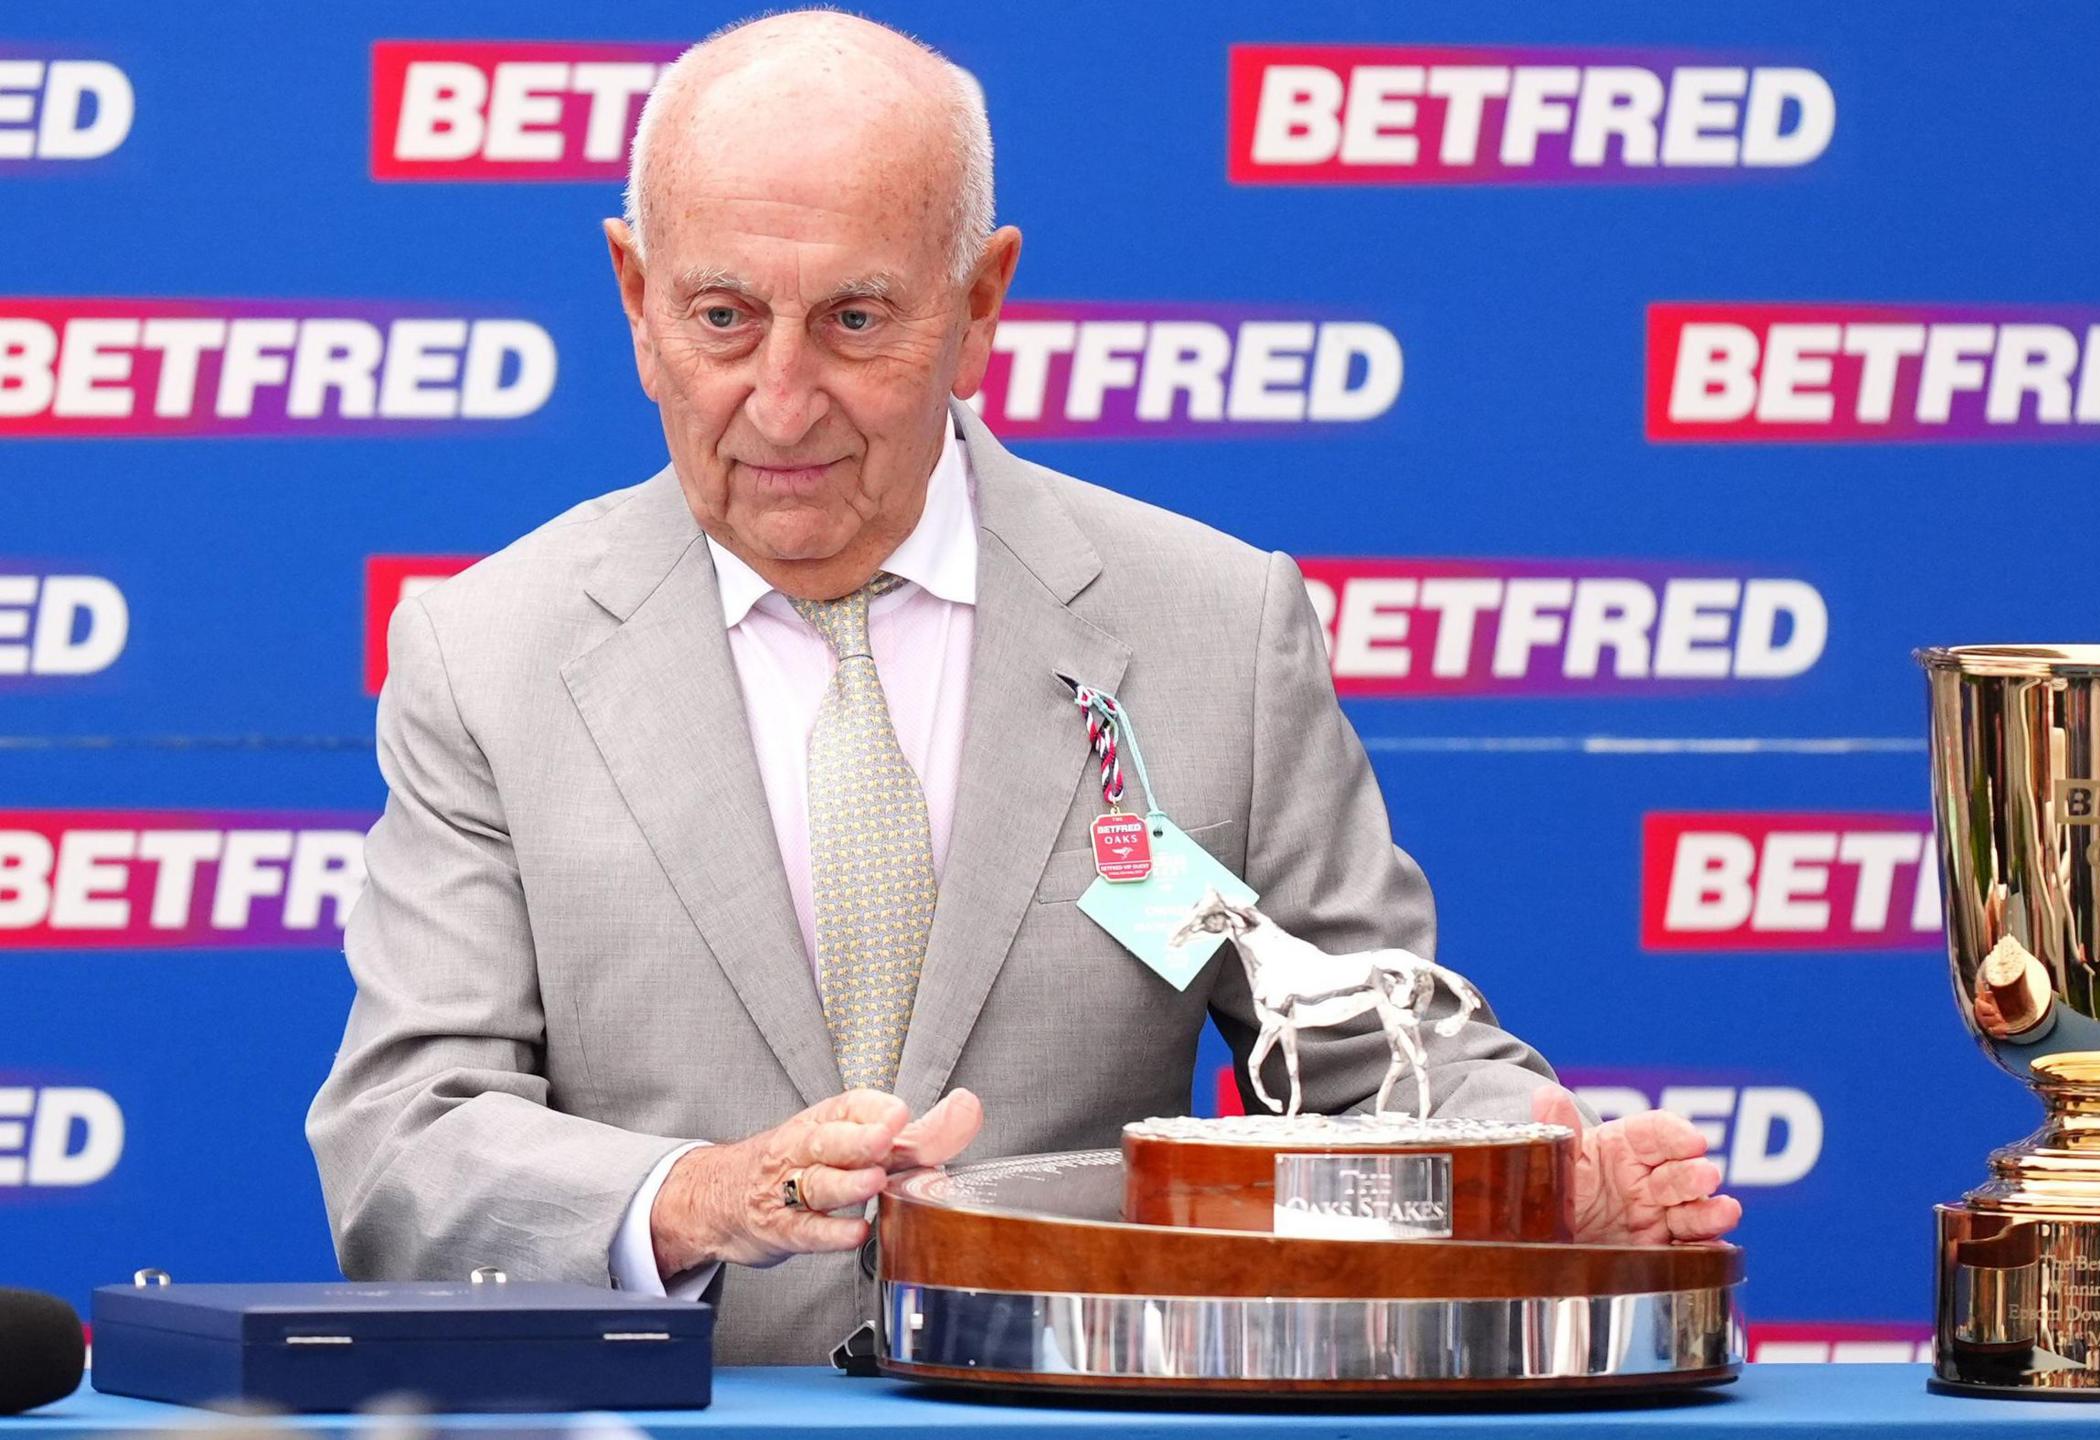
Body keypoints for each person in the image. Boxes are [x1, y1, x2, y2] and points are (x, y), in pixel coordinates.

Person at [307, 9, 1740, 1366]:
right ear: (634, 295)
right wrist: (701, 1196)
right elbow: (406, 1148)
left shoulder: (1213, 627)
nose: (786, 398)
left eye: (858, 321)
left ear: (981, 301)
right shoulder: (486, 654)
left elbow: (1367, 1055)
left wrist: (1530, 1182)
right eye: (725, 318)